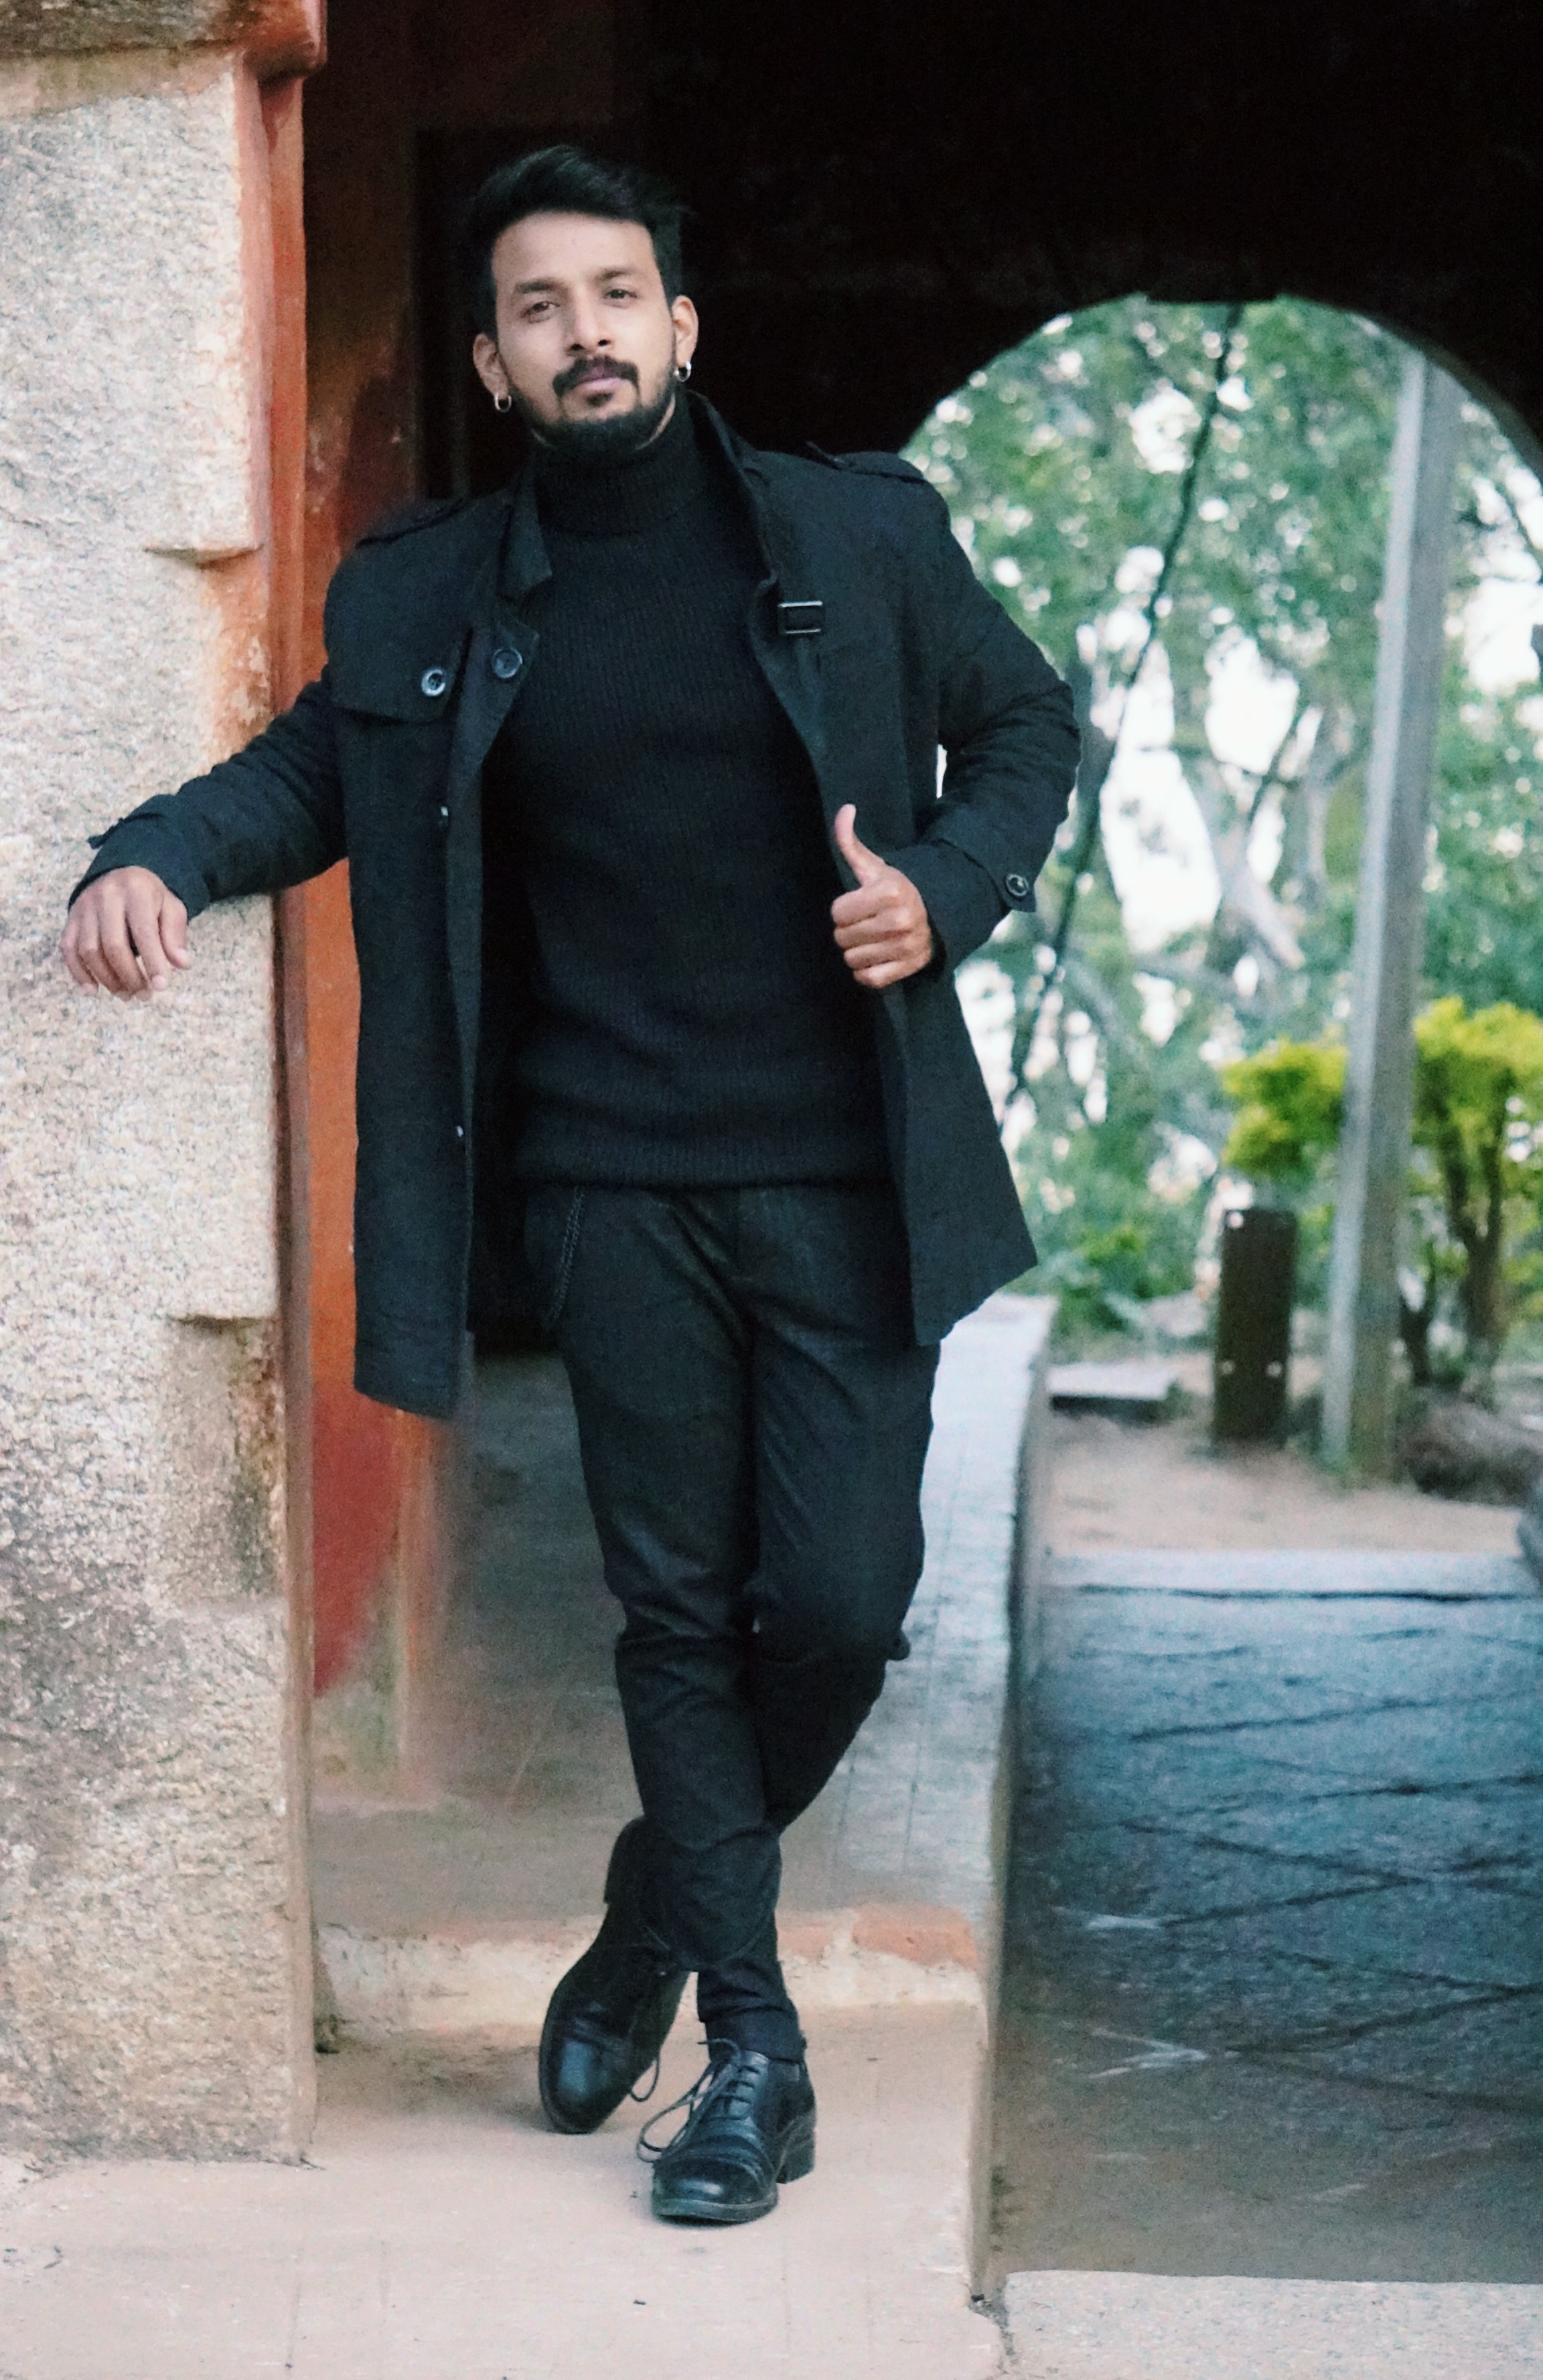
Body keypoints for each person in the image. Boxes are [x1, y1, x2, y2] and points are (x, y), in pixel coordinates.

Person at [61, 145, 1078, 2227]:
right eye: (539, 307)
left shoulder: (858, 536)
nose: (584, 333)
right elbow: (308, 778)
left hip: (843, 1173)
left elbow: (1028, 728)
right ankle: (750, 2049)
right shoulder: (431, 594)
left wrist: (949, 888)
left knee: (840, 1604)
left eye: (617, 295)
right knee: (678, 1612)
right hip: (607, 1184)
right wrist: (151, 849)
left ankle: (645, 1920)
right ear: (493, 361)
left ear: (680, 326)